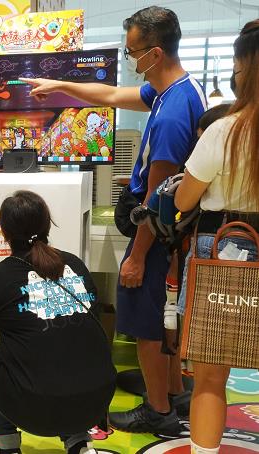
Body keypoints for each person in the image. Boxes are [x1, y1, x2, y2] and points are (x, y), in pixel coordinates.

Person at [21, 6, 206, 434]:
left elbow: (158, 201)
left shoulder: (172, 113)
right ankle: (173, 391)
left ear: (155, 54)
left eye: (132, 53)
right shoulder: (178, 90)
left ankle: (158, 411)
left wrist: (137, 257)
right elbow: (108, 96)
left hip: (158, 234)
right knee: (164, 316)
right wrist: (60, 85)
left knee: (146, 322)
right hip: (173, 232)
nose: (130, 61)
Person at [0, 191, 116, 454]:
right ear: (47, 225)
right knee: (67, 350)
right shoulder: (74, 264)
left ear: (4, 231)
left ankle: (7, 446)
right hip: (98, 400)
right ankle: (79, 441)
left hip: (36, 410)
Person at [174, 19, 259, 454]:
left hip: (224, 249)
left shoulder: (225, 130)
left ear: (245, 68)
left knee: (210, 377)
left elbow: (185, 198)